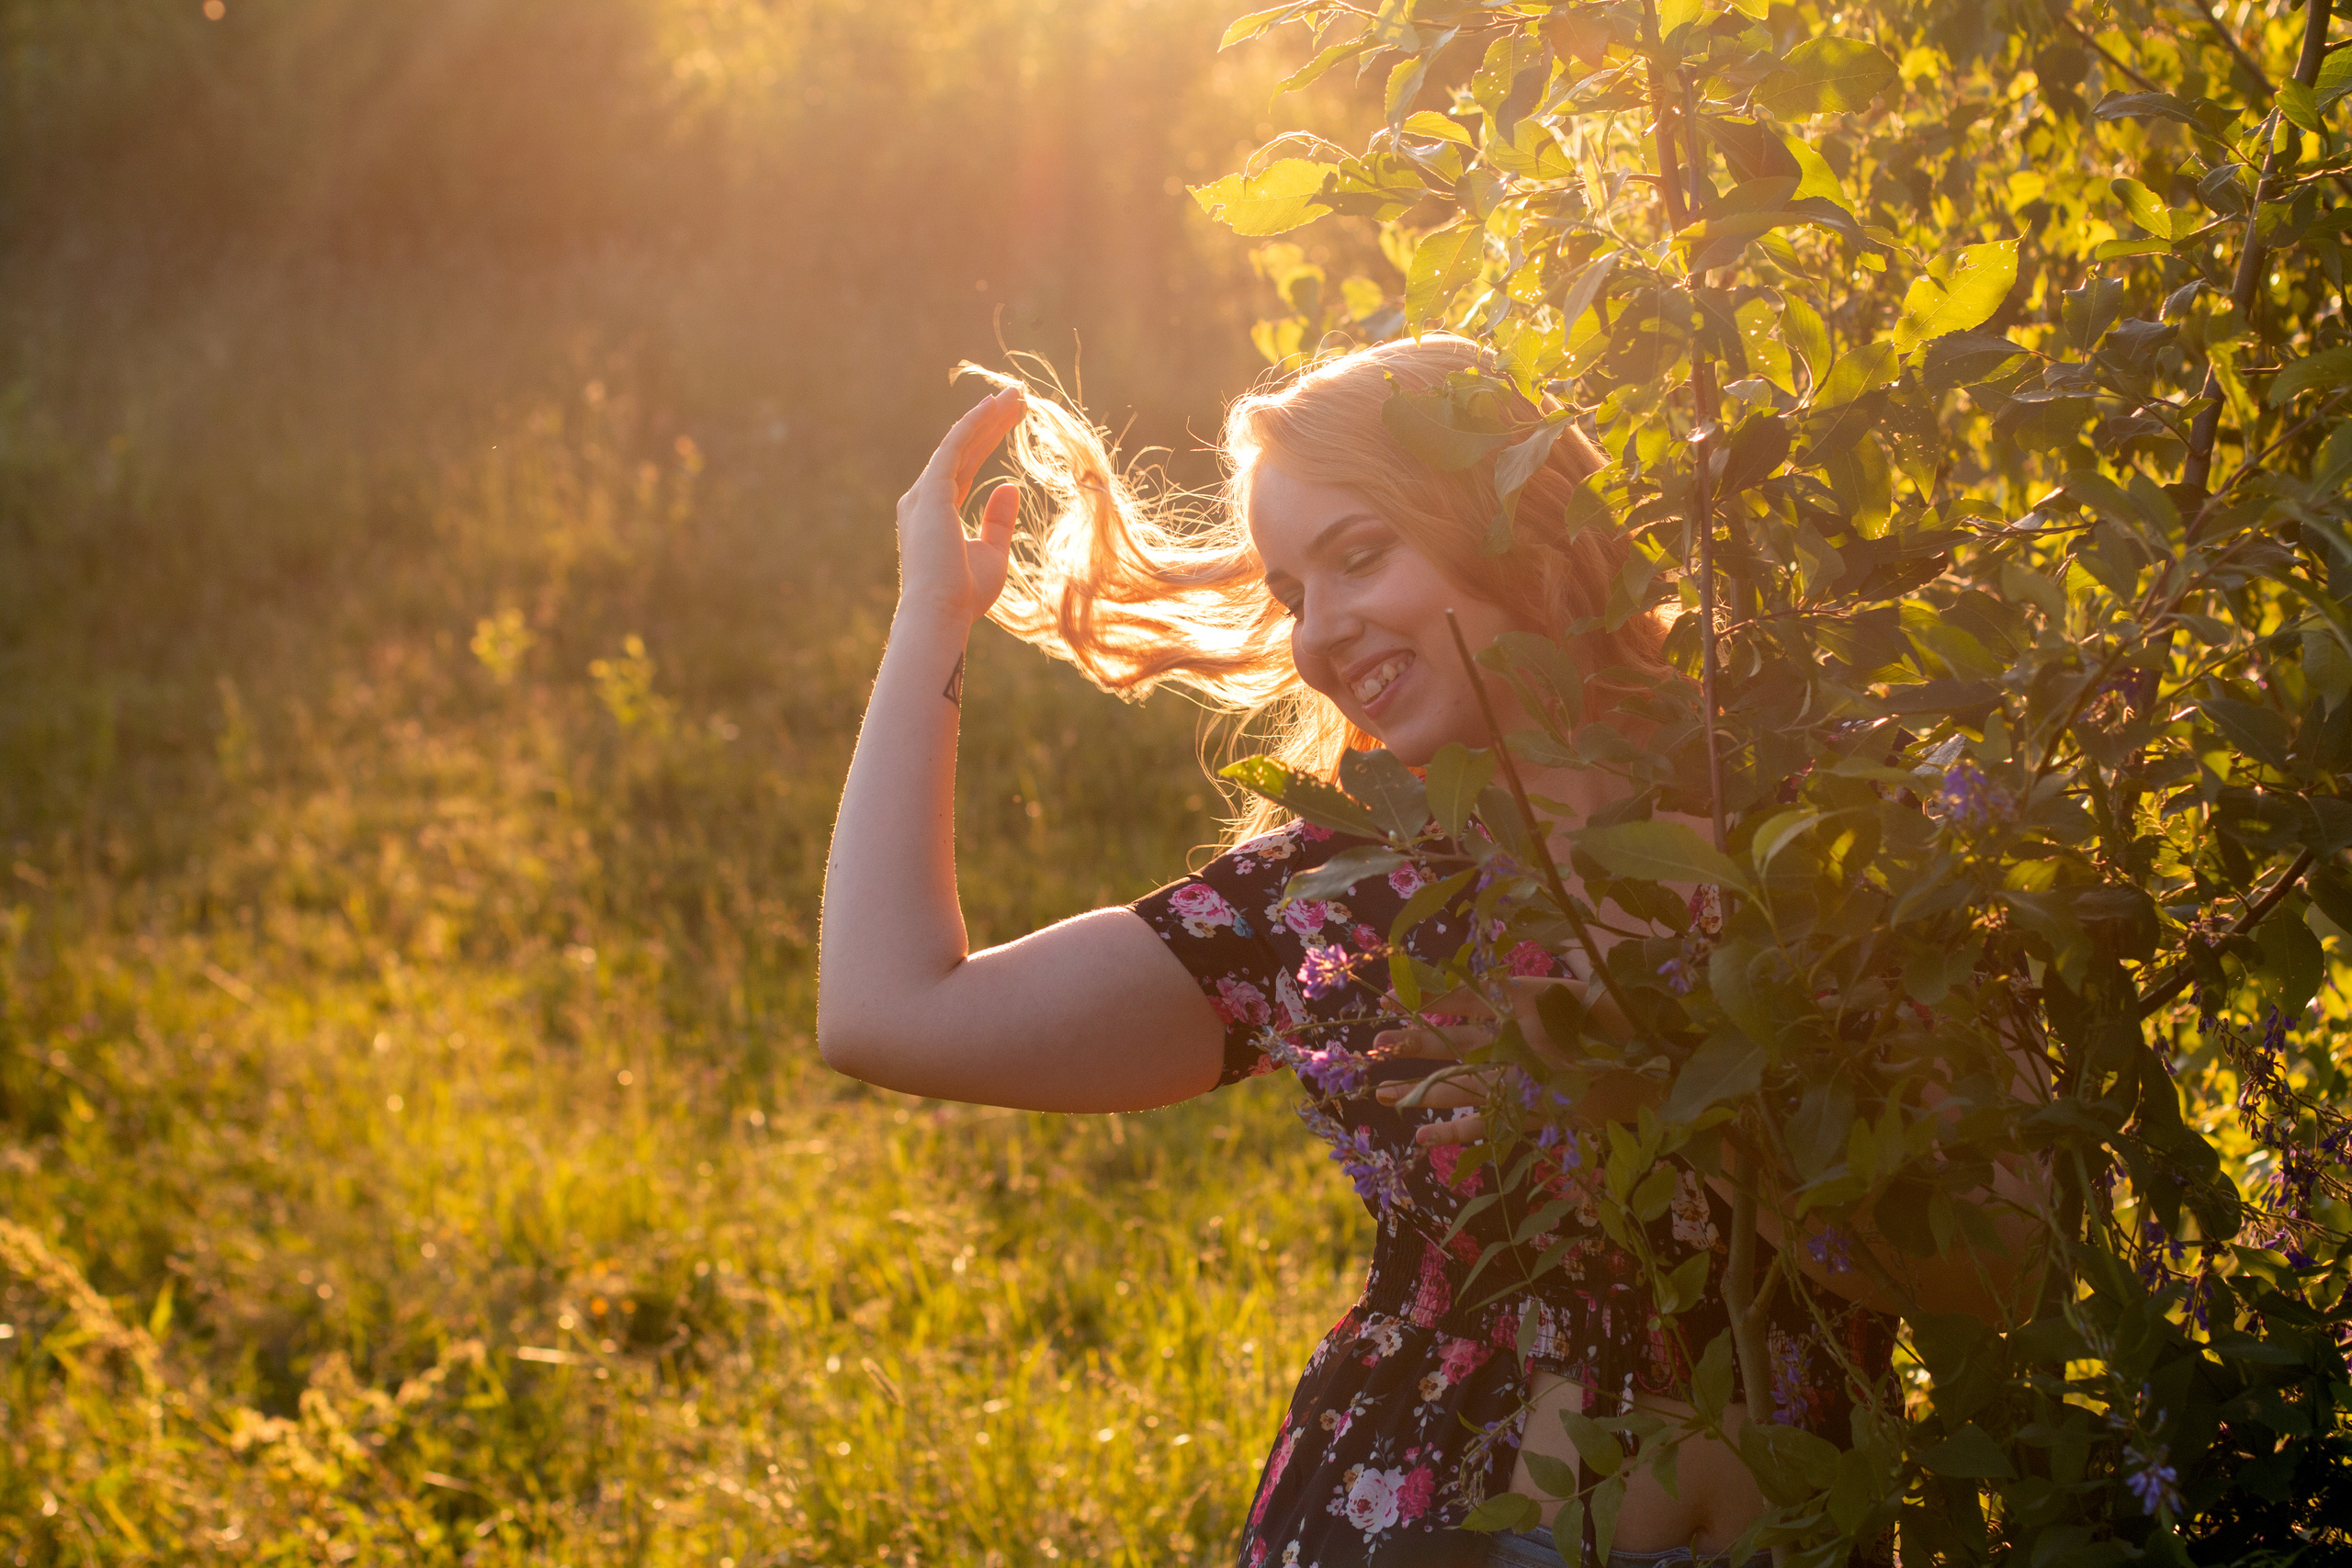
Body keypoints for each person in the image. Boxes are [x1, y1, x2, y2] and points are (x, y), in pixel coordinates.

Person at [819, 335, 2015, 1567]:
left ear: (1508, 518)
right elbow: (885, 1010)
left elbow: (2008, 1266)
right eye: (1293, 595)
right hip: (1401, 1519)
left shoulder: (1799, 823)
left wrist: (1650, 1080)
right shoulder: (1342, 896)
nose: (1322, 632)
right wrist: (931, 617)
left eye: (1358, 555)